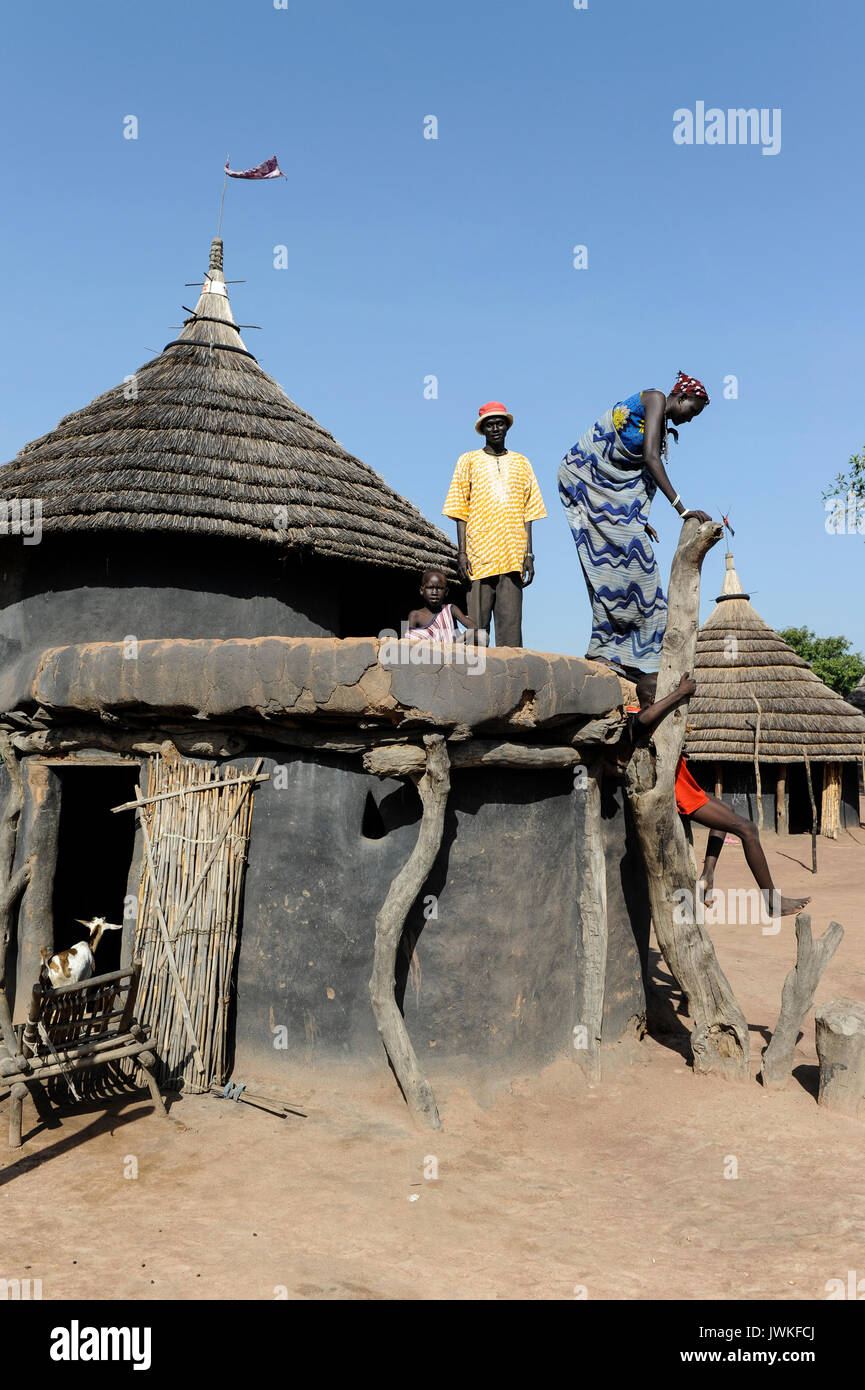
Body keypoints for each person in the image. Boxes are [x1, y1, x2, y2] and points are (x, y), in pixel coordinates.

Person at [558, 372, 713, 680]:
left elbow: (634, 475)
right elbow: (650, 458)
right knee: (634, 570)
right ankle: (613, 651)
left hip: (610, 498)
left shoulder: (662, 426)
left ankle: (609, 653)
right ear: (680, 398)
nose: (691, 419)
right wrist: (682, 508)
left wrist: (636, 518)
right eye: (692, 411)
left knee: (620, 570)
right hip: (585, 480)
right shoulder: (654, 398)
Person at [617, 673, 810, 918]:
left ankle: (707, 876)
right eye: (668, 691)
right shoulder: (637, 717)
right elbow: (641, 721)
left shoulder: (657, 716)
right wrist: (679, 693)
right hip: (673, 793)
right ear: (654, 697)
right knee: (748, 829)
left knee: (727, 810)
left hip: (684, 786)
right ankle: (772, 901)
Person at [443, 401, 546, 647]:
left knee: (511, 630)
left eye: (500, 423)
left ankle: (510, 683)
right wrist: (462, 552)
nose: (496, 428)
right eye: (490, 425)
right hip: (479, 556)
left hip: (513, 555)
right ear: (482, 429)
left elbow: (529, 512)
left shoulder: (522, 463)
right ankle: (474, 681)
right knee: (476, 628)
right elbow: (459, 510)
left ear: (507, 427)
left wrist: (529, 554)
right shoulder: (467, 461)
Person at [405, 569, 476, 641]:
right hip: (427, 651)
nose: (434, 592)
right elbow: (409, 641)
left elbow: (473, 627)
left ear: (446, 592)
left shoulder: (450, 609)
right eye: (430, 587)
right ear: (421, 590)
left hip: (451, 650)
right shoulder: (415, 615)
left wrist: (456, 644)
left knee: (482, 637)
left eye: (439, 588)